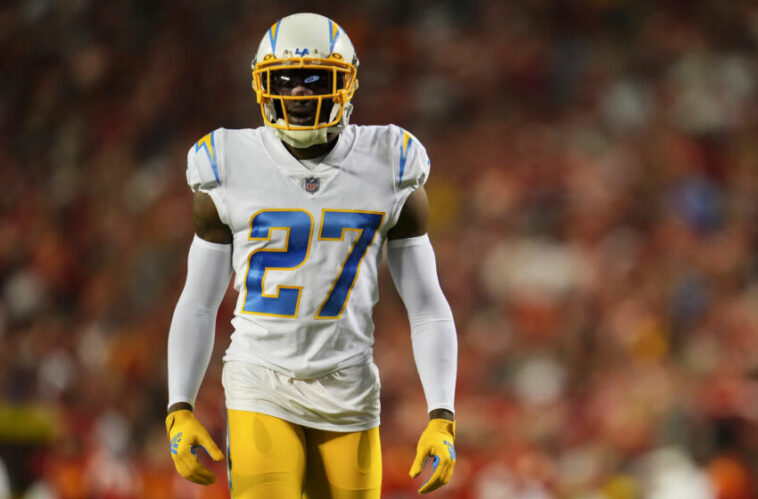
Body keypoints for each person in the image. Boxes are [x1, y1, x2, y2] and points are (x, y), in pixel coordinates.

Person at [165, 12, 458, 498]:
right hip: (261, 376)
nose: (300, 92)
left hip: (350, 384)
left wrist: (442, 415)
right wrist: (180, 405)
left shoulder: (391, 161)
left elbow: (427, 305)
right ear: (263, 84)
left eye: (316, 78)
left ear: (346, 83)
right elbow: (198, 300)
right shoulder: (227, 163)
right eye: (285, 79)